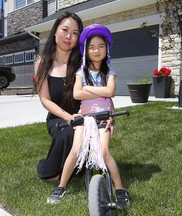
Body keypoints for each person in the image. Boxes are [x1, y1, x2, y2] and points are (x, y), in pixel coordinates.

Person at [47, 24, 130, 209]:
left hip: (103, 117)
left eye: (101, 46)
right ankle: (61, 186)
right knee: (75, 151)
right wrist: (102, 93)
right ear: (86, 50)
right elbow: (77, 94)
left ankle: (120, 190)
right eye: (92, 47)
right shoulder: (80, 72)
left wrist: (88, 89)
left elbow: (110, 90)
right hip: (84, 118)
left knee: (105, 151)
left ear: (107, 48)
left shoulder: (110, 71)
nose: (96, 50)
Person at [34, 12, 83, 180]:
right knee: (68, 133)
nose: (69, 36)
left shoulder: (83, 63)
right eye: (65, 30)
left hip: (82, 115)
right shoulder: (42, 63)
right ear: (55, 31)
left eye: (75, 33)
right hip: (57, 117)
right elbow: (45, 99)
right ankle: (48, 170)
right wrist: (69, 118)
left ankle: (74, 166)